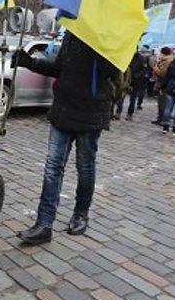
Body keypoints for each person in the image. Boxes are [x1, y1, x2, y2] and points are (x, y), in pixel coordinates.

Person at [12, 31, 118, 245]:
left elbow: (112, 71)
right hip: (63, 109)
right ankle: (44, 224)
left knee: (85, 167)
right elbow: (59, 67)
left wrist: (98, 45)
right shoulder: (74, 31)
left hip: (90, 112)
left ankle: (81, 213)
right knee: (53, 166)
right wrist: (30, 62)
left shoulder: (108, 33)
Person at [152, 47, 174, 124]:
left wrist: (155, 69)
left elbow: (163, 73)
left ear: (163, 54)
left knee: (163, 103)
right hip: (163, 84)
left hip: (163, 84)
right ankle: (161, 118)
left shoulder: (167, 62)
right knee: (162, 102)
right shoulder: (165, 61)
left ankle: (162, 119)